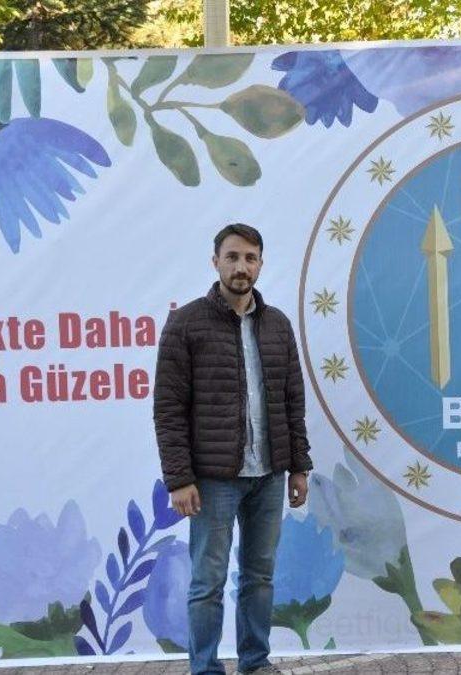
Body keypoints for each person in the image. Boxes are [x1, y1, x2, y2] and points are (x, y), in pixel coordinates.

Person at [154, 223, 313, 675]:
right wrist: (179, 478)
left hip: (269, 474)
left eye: (250, 258)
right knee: (207, 581)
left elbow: (293, 400)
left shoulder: (278, 325)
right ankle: (205, 668)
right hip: (213, 479)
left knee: (259, 577)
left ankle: (255, 663)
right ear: (216, 262)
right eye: (232, 257)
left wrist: (299, 466)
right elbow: (168, 408)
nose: (241, 266)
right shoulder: (186, 324)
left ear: (260, 264)